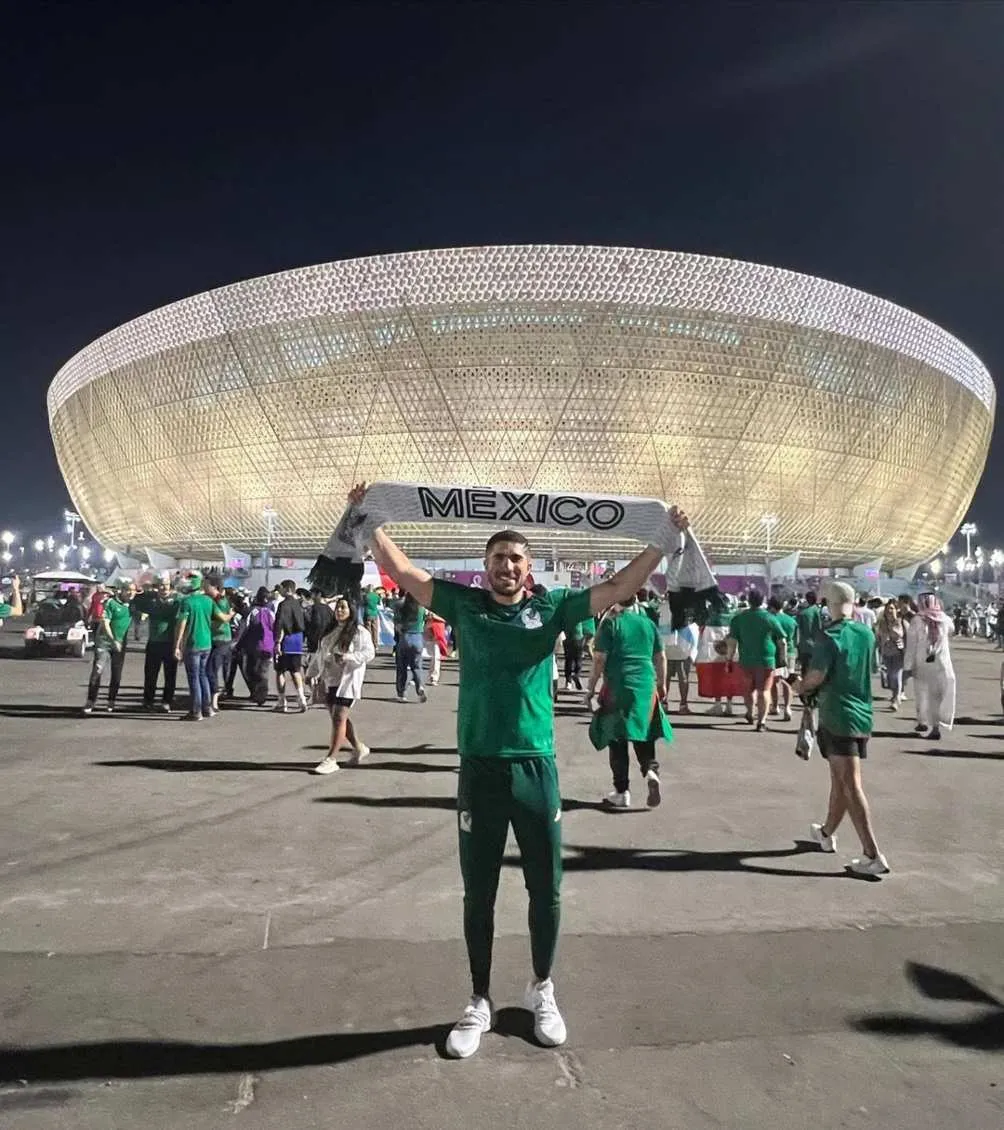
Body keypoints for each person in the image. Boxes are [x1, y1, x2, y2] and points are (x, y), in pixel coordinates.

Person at [352, 480, 688, 1059]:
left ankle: (542, 988)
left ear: (528, 569)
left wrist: (663, 539)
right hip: (480, 769)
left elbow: (618, 585)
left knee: (546, 890)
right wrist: (367, 520)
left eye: (515, 558)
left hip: (536, 768)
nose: (506, 566)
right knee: (477, 892)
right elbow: (404, 572)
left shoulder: (552, 608)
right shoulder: (464, 604)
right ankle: (478, 1000)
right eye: (497, 559)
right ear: (484, 569)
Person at [793, 580, 889, 877]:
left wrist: (799, 686)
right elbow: (868, 667)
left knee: (849, 783)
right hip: (862, 712)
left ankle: (872, 853)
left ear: (828, 604)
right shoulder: (865, 633)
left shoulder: (829, 637)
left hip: (838, 714)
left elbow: (817, 675)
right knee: (839, 779)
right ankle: (825, 833)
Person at [586, 594, 670, 809]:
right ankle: (651, 770)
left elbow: (599, 659)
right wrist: (661, 684)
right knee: (644, 734)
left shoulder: (610, 624)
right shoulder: (648, 624)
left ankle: (622, 791)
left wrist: (591, 688)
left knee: (617, 739)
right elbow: (660, 657)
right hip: (645, 686)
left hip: (618, 686)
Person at [307, 597, 376, 774]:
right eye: (338, 608)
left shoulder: (359, 632)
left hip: (349, 680)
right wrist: (311, 673)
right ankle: (358, 747)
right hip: (331, 680)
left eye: (343, 608)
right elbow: (320, 653)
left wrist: (349, 657)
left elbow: (369, 653)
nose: (339, 611)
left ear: (351, 610)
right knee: (338, 718)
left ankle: (331, 758)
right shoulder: (330, 631)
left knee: (339, 716)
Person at [726, 590, 787, 731]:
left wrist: (729, 658)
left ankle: (749, 713)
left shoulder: (739, 618)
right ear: (762, 600)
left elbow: (732, 642)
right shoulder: (770, 618)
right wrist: (782, 659)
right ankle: (762, 721)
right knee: (764, 690)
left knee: (747, 689)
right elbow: (782, 641)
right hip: (767, 660)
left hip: (746, 659)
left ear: (748, 600)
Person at [904, 591, 956, 740]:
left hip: (923, 664)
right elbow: (952, 630)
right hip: (942, 663)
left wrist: (907, 667)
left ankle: (923, 721)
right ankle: (935, 726)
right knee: (938, 696)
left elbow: (911, 646)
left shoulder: (917, 620)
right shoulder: (945, 619)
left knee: (923, 694)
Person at [83, 581, 133, 714]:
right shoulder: (111, 603)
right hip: (105, 642)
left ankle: (111, 701)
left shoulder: (133, 605)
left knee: (116, 674)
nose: (130, 593)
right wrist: (113, 640)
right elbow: (105, 623)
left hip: (121, 643)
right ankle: (90, 701)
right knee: (97, 670)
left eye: (133, 590)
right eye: (128, 590)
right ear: (121, 590)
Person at [174, 576, 219, 722]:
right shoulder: (208, 601)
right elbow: (217, 617)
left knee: (193, 678)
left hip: (193, 643)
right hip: (207, 643)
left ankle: (196, 711)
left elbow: (182, 624)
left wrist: (177, 645)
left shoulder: (186, 602)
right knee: (203, 675)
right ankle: (207, 708)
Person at [132, 576, 179, 712]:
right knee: (150, 675)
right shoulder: (150, 600)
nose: (164, 588)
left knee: (170, 675)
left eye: (166, 585)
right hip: (154, 643)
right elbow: (135, 600)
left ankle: (167, 701)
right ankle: (148, 701)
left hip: (170, 642)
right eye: (161, 585)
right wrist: (146, 590)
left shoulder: (176, 601)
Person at [273, 579, 308, 713]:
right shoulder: (299, 604)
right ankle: (301, 698)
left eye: (281, 588)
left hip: (285, 640)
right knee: (296, 671)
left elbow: (281, 623)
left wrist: (277, 642)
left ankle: (282, 701)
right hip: (298, 640)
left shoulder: (283, 605)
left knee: (280, 671)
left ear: (286, 589)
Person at [242, 586, 277, 706]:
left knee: (251, 670)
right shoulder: (271, 613)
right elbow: (275, 629)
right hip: (268, 646)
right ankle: (261, 694)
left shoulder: (253, 611)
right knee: (263, 671)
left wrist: (239, 643)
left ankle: (257, 693)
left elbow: (245, 628)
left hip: (253, 646)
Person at [394, 591, 428, 703]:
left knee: (402, 667)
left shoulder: (400, 606)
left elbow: (397, 626)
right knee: (417, 666)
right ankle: (420, 687)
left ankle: (402, 693)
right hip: (418, 638)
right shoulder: (421, 608)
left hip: (405, 638)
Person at [767, 596, 797, 722]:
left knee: (774, 681)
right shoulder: (791, 620)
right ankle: (788, 708)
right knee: (787, 681)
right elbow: (795, 638)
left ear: (773, 607)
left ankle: (775, 706)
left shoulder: (771, 619)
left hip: (775, 653)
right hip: (790, 652)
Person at [875, 600, 906, 710]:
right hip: (886, 654)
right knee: (889, 677)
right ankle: (894, 695)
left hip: (899, 653)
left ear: (896, 610)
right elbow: (877, 637)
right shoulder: (881, 623)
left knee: (896, 676)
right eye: (888, 608)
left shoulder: (901, 622)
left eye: (892, 608)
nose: (889, 610)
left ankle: (896, 699)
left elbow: (906, 636)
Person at [795, 590, 823, 675]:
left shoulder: (803, 613)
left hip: (804, 644)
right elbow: (820, 627)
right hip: (816, 644)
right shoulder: (818, 611)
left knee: (805, 668)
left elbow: (798, 629)